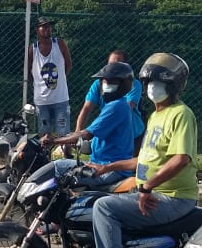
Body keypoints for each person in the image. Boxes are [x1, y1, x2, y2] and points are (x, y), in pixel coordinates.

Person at [81, 52, 199, 248]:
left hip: (173, 196)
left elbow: (181, 158)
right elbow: (143, 160)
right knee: (98, 198)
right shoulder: (156, 115)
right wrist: (107, 167)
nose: (151, 88)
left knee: (104, 207)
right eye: (148, 84)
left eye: (158, 83)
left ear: (173, 86)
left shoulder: (181, 114)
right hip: (153, 190)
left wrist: (147, 187)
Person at [43, 60, 136, 190]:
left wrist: (54, 141)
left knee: (57, 166)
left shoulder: (117, 106)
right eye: (104, 81)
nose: (106, 84)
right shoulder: (118, 105)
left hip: (108, 169)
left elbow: (87, 133)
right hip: (101, 164)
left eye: (112, 81)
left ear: (123, 84)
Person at [76, 48, 144, 156]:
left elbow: (125, 108)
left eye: (118, 63)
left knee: (131, 167)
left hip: (133, 134)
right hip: (110, 132)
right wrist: (78, 132)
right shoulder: (98, 84)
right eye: (111, 63)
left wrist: (94, 131)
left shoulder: (134, 84)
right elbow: (87, 108)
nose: (113, 67)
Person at [26, 16, 72, 136]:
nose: (47, 29)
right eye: (44, 26)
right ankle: (45, 155)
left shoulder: (59, 44)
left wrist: (60, 78)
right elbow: (29, 71)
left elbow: (68, 64)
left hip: (60, 98)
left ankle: (66, 153)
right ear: (37, 30)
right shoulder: (33, 49)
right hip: (41, 100)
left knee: (64, 133)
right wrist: (38, 83)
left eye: (49, 26)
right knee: (44, 133)